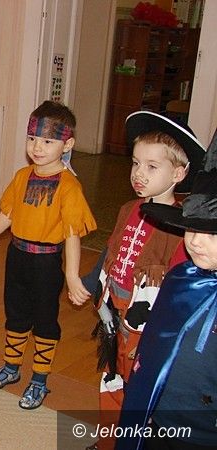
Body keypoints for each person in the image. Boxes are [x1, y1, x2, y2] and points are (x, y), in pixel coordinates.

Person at [75, 111, 206, 450]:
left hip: (146, 324)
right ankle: (109, 441)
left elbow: (179, 290)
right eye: (135, 163)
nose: (138, 174)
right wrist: (89, 283)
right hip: (114, 311)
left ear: (178, 173)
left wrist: (156, 335)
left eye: (151, 166)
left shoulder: (182, 228)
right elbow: (110, 252)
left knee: (139, 386)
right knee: (112, 376)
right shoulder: (128, 209)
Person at [0, 100, 97, 409]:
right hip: (16, 257)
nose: (37, 147)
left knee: (45, 320)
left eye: (47, 141)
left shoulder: (69, 187)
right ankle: (11, 368)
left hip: (46, 263)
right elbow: (8, 214)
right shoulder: (22, 176)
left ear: (67, 144)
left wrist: (72, 276)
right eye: (32, 138)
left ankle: (40, 380)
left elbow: (72, 233)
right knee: (15, 313)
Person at [116, 128, 217, 450]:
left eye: (213, 235)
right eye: (191, 229)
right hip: (162, 417)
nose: (196, 242)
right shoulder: (182, 279)